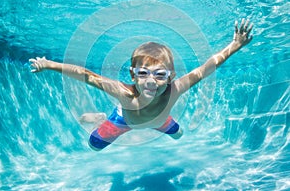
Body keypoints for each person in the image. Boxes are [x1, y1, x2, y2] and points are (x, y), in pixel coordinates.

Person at [29, 18, 253, 151]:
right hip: (123, 122)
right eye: (143, 73)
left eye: (159, 74)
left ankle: (156, 123)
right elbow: (86, 75)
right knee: (93, 146)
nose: (151, 81)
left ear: (171, 76)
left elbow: (204, 70)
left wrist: (235, 45)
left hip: (160, 120)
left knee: (179, 135)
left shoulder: (175, 89)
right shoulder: (125, 94)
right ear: (133, 75)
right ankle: (100, 117)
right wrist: (49, 64)